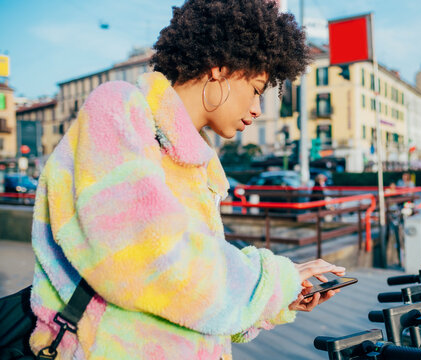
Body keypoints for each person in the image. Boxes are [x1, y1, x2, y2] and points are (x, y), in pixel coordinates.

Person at [28, 1, 346, 359]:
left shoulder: (195, 163)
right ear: (220, 69)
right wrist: (273, 282)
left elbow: (189, 299)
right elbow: (151, 260)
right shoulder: (118, 108)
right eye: (257, 88)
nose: (258, 108)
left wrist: (274, 301)